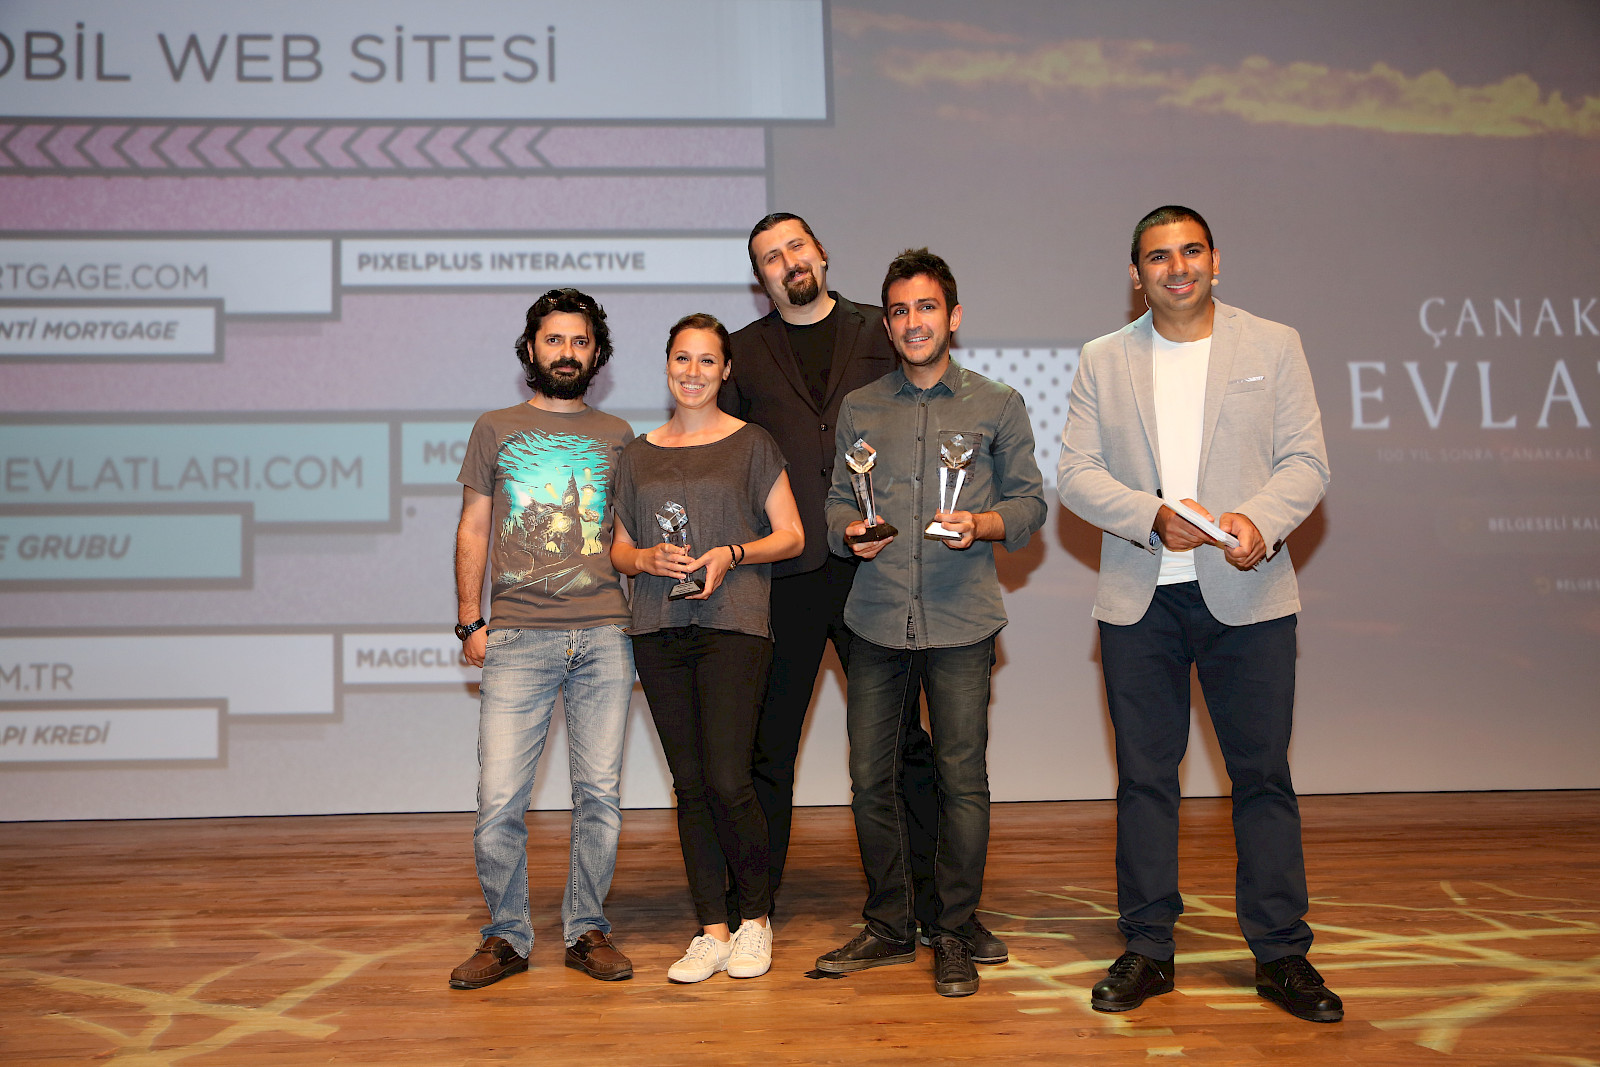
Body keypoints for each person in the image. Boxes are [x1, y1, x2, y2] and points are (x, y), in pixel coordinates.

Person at [1056, 205, 1340, 1022]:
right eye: (1158, 256)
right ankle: (1148, 948)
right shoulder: (1103, 358)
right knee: (1146, 781)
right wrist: (1149, 514)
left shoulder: (1273, 344)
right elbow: (1075, 473)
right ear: (1135, 273)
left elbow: (1307, 460)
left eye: (1190, 252)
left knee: (1263, 777)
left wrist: (1258, 520)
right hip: (1139, 597)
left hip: (1249, 595)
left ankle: (1281, 955)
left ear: (1216, 260)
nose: (1176, 267)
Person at [725, 213, 984, 961]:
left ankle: (933, 905)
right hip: (784, 580)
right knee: (770, 748)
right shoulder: (742, 353)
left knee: (903, 749)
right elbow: (733, 463)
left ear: (821, 253)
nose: (787, 262)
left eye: (795, 246)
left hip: (880, 573)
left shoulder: (885, 327)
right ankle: (754, 909)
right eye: (770, 257)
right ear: (760, 277)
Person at [816, 249, 1046, 997]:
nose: (913, 321)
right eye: (900, 310)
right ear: (887, 324)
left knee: (961, 779)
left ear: (953, 316)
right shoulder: (861, 406)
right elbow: (837, 504)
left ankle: (952, 928)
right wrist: (849, 532)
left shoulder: (998, 403)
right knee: (869, 780)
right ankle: (890, 924)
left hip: (961, 618)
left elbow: (1030, 505)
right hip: (876, 617)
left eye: (926, 307)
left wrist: (982, 523)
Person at [449, 288, 637, 989]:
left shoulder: (619, 434)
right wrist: (470, 618)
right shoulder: (495, 427)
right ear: (531, 349)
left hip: (605, 635)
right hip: (518, 636)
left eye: (580, 341)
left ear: (597, 353)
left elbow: (625, 539)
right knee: (500, 800)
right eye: (554, 340)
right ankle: (507, 934)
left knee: (600, 797)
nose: (567, 352)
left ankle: (587, 929)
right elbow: (474, 526)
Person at [611, 313, 804, 983]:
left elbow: (792, 535)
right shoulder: (636, 454)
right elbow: (618, 548)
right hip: (657, 629)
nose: (692, 371)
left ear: (725, 370)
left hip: (733, 626)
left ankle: (755, 921)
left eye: (706, 360)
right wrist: (644, 558)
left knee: (728, 779)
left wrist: (731, 552)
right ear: (667, 365)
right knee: (689, 785)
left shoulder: (752, 443)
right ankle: (712, 930)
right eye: (682, 358)